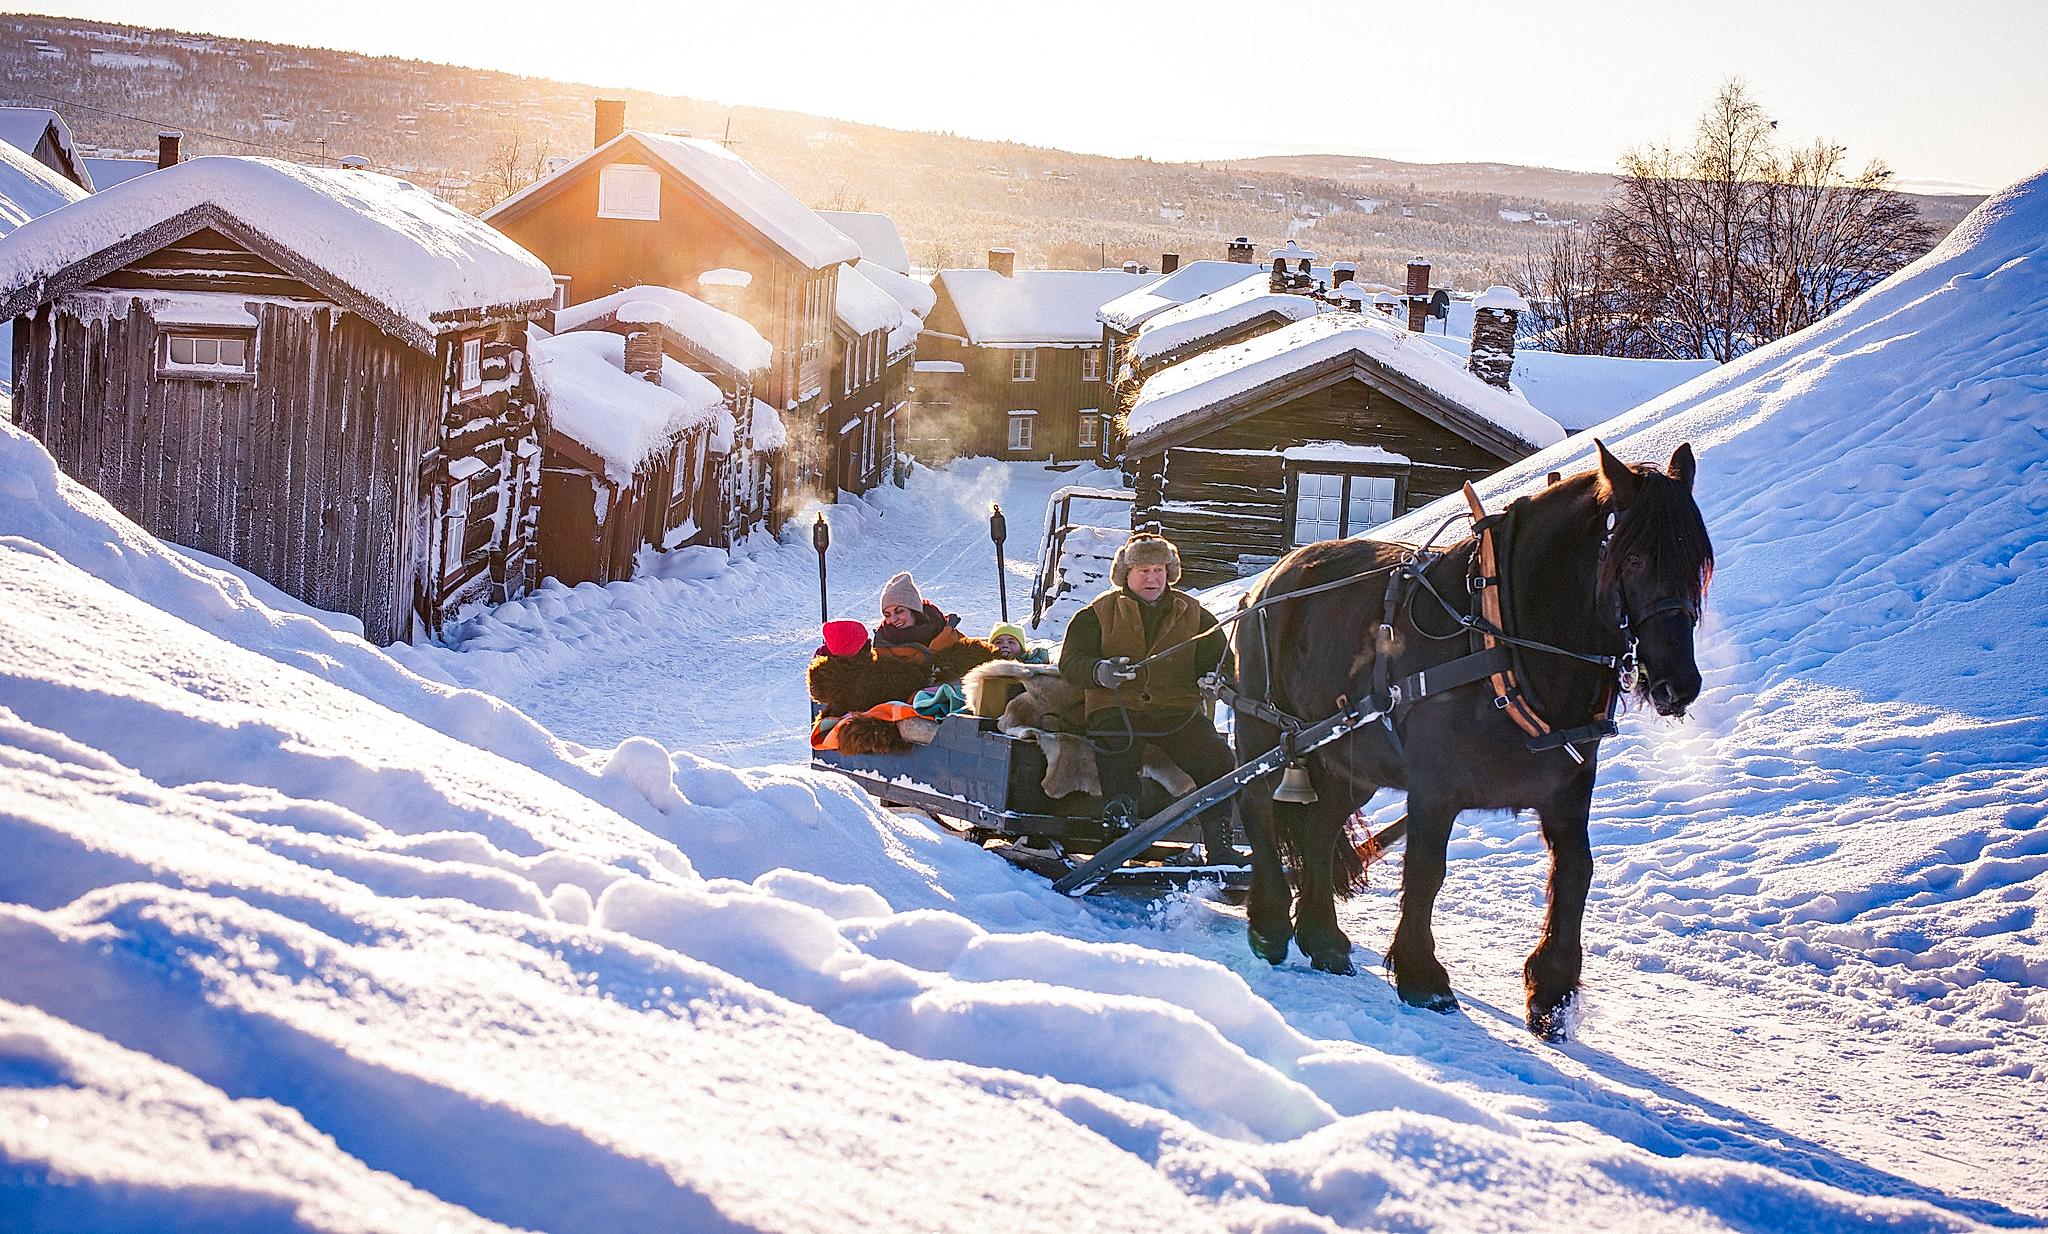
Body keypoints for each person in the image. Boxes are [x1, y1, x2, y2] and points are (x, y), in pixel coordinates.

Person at [1058, 534, 1236, 857]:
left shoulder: (1196, 615)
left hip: (1176, 712)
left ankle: (1221, 843)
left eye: (1158, 569)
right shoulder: (1097, 613)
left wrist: (1217, 679)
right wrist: (1099, 671)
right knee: (1117, 751)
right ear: (1125, 574)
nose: (1152, 578)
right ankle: (1119, 830)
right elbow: (1070, 661)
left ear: (1170, 572)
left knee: (1218, 759)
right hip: (1116, 708)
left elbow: (1222, 661)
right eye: (1143, 570)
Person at [875, 572, 964, 658]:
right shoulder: (882, 644)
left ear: (914, 610)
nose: (893, 619)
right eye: (887, 615)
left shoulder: (945, 630)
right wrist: (934, 652)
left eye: (899, 611)